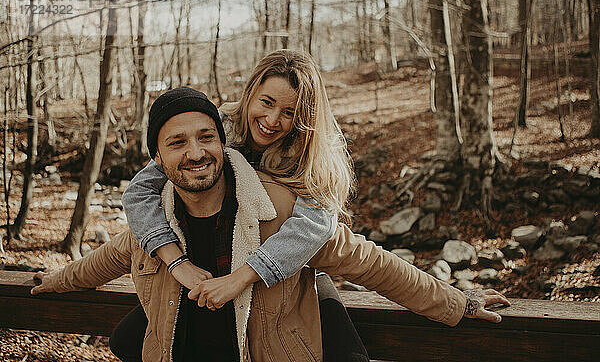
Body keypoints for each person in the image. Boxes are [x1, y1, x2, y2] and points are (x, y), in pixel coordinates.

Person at [31, 89, 510, 362]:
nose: (195, 153)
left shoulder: (283, 214)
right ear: (158, 159)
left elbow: (369, 261)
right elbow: (103, 260)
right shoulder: (152, 219)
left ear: (226, 144)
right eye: (177, 143)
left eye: (205, 138)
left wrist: (457, 301)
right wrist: (53, 281)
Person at [117, 50, 366, 361]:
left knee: (345, 352)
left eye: (289, 112)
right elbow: (139, 192)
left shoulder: (311, 156)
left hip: (287, 273)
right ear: (251, 94)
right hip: (208, 262)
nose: (273, 120)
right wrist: (176, 261)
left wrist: (242, 277)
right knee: (132, 340)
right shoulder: (218, 131)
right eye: (267, 102)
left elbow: (316, 228)